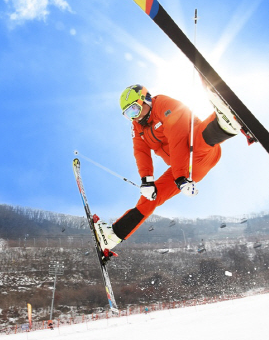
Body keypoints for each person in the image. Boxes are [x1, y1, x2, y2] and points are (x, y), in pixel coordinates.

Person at [93, 84, 241, 258]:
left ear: (145, 100)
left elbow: (178, 139)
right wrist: (146, 180)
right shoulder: (137, 126)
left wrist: (181, 178)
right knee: (150, 198)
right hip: (180, 170)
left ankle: (224, 124)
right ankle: (113, 236)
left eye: (135, 109)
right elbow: (140, 151)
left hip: (201, 156)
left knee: (194, 143)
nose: (135, 116)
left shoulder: (163, 104)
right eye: (129, 114)